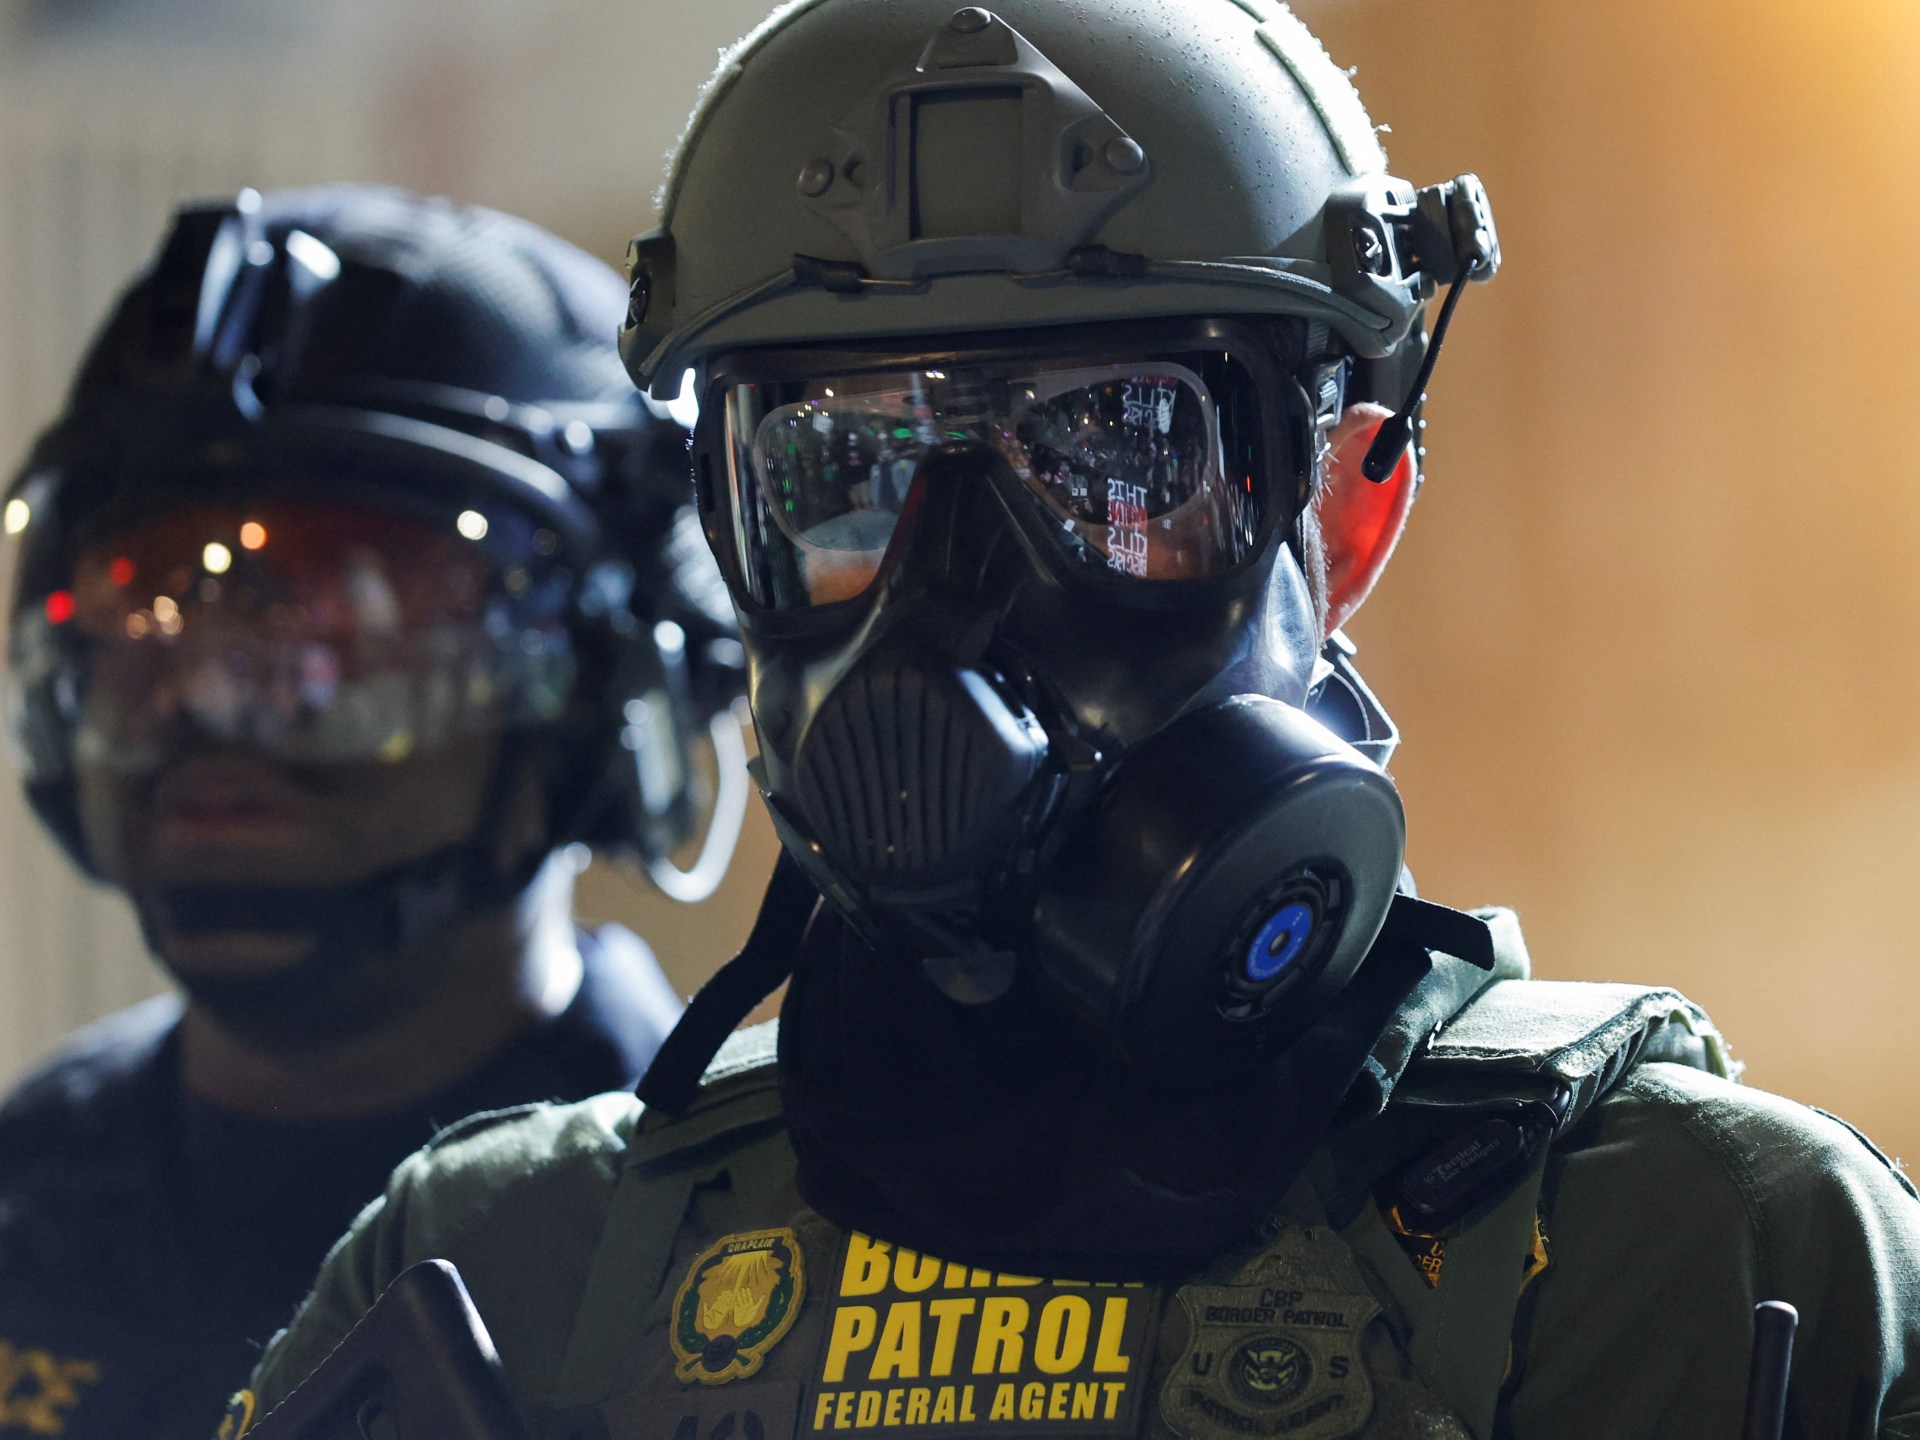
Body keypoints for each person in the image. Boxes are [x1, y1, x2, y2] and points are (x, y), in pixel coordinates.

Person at [237, 6, 1920, 1437]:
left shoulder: (1700, 1264)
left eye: (1113, 448)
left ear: (1347, 515)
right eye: (843, 463)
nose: (953, 589)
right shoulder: (494, 1282)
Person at [0, 185, 748, 1440]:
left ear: (604, 686)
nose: (210, 706)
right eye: (149, 613)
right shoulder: (32, 1185)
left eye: (338, 627)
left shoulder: (729, 1229)